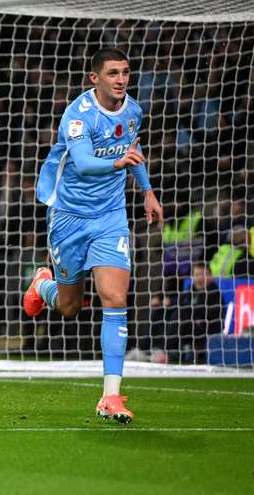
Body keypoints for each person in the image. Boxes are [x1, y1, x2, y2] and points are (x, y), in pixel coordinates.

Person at [23, 48, 164, 424]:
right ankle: (43, 286)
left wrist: (147, 191)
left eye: (126, 73)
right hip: (68, 217)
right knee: (69, 306)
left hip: (110, 217)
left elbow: (133, 148)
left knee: (115, 296)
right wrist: (118, 162)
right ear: (94, 78)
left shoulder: (133, 111)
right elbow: (84, 164)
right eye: (113, 73)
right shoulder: (78, 116)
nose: (121, 80)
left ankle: (111, 396)